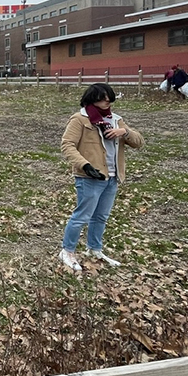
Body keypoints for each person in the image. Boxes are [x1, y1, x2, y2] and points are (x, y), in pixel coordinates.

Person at [59, 83, 142, 272]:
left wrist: (125, 132)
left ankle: (94, 249)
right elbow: (67, 145)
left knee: (101, 217)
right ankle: (67, 251)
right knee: (82, 216)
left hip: (112, 177)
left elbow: (138, 142)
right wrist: (85, 165)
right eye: (102, 97)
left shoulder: (116, 120)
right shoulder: (80, 119)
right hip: (89, 177)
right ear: (91, 98)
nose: (107, 101)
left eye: (109, 97)